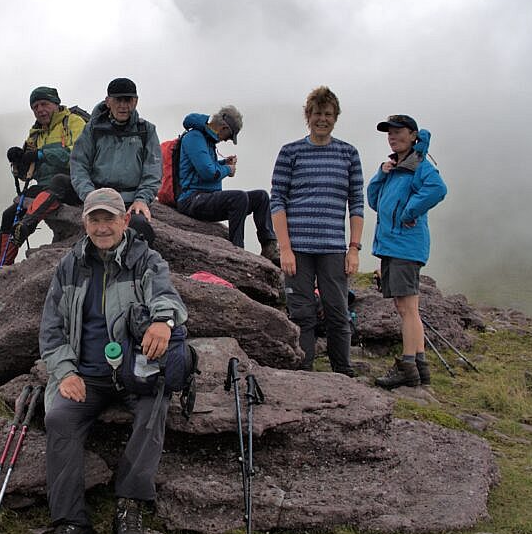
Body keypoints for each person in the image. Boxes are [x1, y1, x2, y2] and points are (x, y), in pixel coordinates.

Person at [39, 187, 187, 534]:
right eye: (95, 219)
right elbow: (51, 330)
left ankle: (130, 503)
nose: (103, 227)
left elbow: (166, 296)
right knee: (58, 418)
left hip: (135, 373)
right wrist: (65, 372)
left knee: (156, 403)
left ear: (124, 221)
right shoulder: (69, 266)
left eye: (110, 219)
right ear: (84, 223)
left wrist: (164, 323)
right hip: (85, 376)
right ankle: (71, 521)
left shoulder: (145, 258)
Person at [270, 86, 363, 376]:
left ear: (335, 117)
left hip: (334, 248)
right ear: (307, 116)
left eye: (328, 114)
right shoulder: (290, 152)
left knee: (337, 312)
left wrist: (354, 248)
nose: (322, 119)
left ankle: (342, 372)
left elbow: (357, 203)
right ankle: (305, 372)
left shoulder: (348, 154)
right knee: (302, 313)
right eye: (317, 113)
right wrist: (284, 248)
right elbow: (277, 201)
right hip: (297, 249)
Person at [368, 115, 448, 388]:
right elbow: (373, 201)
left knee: (407, 308)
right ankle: (419, 366)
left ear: (413, 135)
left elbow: (438, 189)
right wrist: (381, 173)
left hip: (405, 244)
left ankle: (407, 366)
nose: (392, 136)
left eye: (398, 132)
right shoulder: (398, 166)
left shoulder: (419, 165)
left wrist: (409, 212)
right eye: (389, 132)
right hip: (395, 245)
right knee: (407, 308)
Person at [175, 106, 281, 265]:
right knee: (238, 198)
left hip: (205, 197)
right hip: (191, 199)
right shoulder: (194, 137)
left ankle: (269, 247)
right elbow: (207, 172)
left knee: (261, 196)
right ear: (224, 127)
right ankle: (237, 250)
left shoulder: (207, 140)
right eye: (229, 136)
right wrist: (227, 169)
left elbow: (206, 167)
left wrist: (223, 162)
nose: (226, 140)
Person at [0, 86, 87, 266]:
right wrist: (19, 160)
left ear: (56, 104)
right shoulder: (35, 132)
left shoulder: (73, 122)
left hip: (74, 182)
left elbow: (77, 156)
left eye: (44, 104)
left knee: (57, 181)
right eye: (35, 107)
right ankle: (0, 268)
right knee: (9, 215)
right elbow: (26, 174)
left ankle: (27, 224)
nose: (40, 110)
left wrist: (42, 154)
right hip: (45, 186)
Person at [69, 78, 162, 247]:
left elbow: (153, 170)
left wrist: (142, 199)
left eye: (128, 100)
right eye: (118, 100)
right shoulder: (92, 129)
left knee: (140, 228)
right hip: (99, 196)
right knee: (97, 233)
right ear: (108, 101)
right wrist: (90, 196)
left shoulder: (146, 130)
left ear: (136, 101)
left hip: (131, 199)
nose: (123, 105)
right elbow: (78, 165)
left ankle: (137, 271)